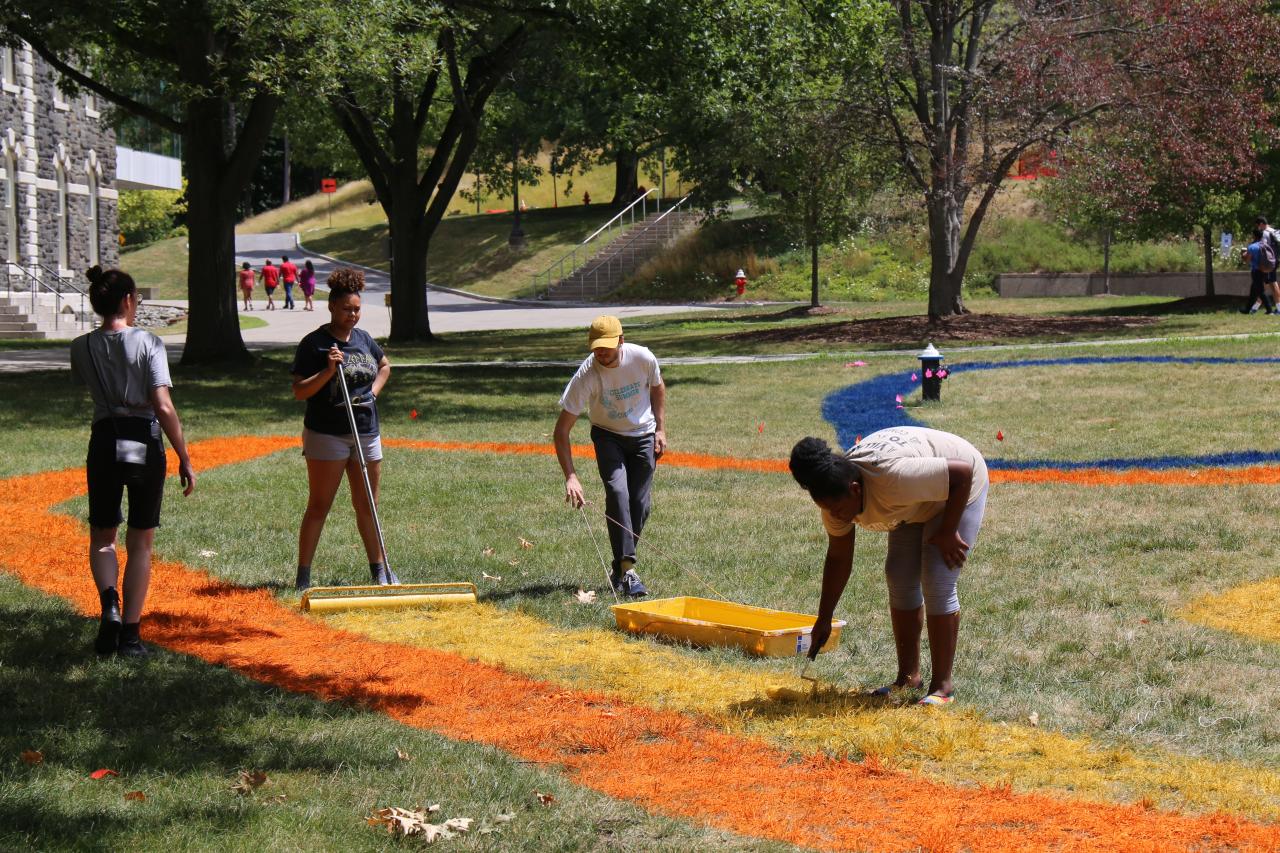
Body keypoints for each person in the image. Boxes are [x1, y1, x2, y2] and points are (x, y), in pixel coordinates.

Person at [789, 427, 988, 706]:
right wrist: (824, 617)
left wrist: (948, 531)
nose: (835, 515)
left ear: (855, 489)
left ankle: (943, 687)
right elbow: (839, 558)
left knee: (937, 579)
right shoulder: (836, 494)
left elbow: (962, 473)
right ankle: (908, 678)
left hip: (959, 483)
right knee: (898, 575)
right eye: (826, 508)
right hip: (915, 498)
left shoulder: (893, 479)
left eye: (836, 508)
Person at [69, 266, 196, 657]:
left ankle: (109, 604)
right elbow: (162, 404)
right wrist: (184, 456)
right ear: (127, 300)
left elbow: (86, 384)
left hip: (105, 440)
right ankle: (131, 636)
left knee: (103, 535)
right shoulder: (148, 342)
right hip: (143, 439)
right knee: (140, 541)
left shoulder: (81, 346)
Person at [290, 267, 396, 591]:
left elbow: (384, 365)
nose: (353, 315)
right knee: (320, 504)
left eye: (357, 309)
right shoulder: (315, 344)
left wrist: (373, 393)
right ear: (332, 307)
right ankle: (303, 576)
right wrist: (327, 370)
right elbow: (300, 391)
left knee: (368, 504)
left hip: (365, 431)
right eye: (347, 309)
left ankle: (379, 570)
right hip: (327, 434)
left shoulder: (364, 340)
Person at [553, 316, 666, 597]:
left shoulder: (642, 358)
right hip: (607, 435)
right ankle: (628, 571)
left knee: (640, 505)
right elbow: (561, 431)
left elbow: (657, 386)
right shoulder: (586, 376)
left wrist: (661, 429)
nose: (600, 353)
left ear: (621, 341)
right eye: (596, 347)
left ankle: (619, 565)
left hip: (643, 434)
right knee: (617, 493)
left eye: (606, 346)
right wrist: (571, 476)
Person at [1240, 228, 1277, 315]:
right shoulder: (1265, 245)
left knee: (1260, 291)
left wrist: (1243, 255)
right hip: (1265, 270)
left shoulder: (1252, 247)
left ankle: (1269, 310)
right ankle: (1247, 309)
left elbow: (1247, 260)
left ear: (1254, 236)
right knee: (1253, 290)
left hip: (1256, 271)